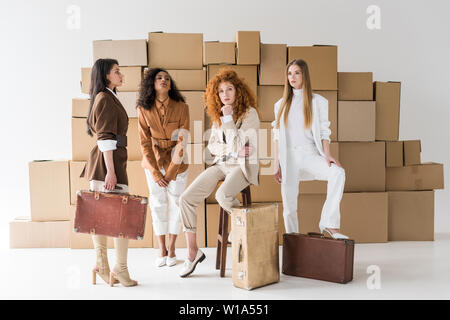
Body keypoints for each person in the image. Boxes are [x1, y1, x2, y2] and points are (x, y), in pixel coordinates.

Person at [178, 68, 260, 277]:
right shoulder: (218, 116)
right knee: (186, 198)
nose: (225, 94)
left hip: (242, 166)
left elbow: (239, 143)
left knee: (222, 195)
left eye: (229, 89)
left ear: (238, 91)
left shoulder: (250, 114)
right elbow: (213, 147)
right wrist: (233, 148)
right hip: (221, 164)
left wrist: (229, 121)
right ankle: (192, 252)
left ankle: (241, 225)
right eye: (221, 91)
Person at [272, 59, 348, 240]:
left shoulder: (318, 102)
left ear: (304, 75)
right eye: (289, 73)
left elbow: (324, 131)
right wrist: (276, 163)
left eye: (297, 73)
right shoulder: (280, 105)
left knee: (337, 173)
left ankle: (329, 223)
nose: (292, 77)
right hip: (288, 158)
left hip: (310, 154)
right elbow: (276, 136)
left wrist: (328, 155)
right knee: (289, 207)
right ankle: (294, 243)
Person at [82, 58, 138, 287]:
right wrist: (111, 172)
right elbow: (104, 138)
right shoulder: (105, 98)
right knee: (119, 218)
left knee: (107, 216)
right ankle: (116, 268)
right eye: (117, 71)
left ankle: (105, 265)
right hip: (107, 164)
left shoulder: (107, 96)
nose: (121, 74)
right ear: (106, 76)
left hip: (112, 161)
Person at [137, 68, 190, 268]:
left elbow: (183, 141)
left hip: (178, 162)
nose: (164, 80)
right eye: (159, 78)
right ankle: (162, 249)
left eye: (167, 78)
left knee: (176, 203)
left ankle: (173, 248)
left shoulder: (182, 107)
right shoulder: (143, 109)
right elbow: (144, 143)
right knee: (157, 203)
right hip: (153, 161)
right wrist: (156, 172)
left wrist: (169, 173)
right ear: (151, 83)